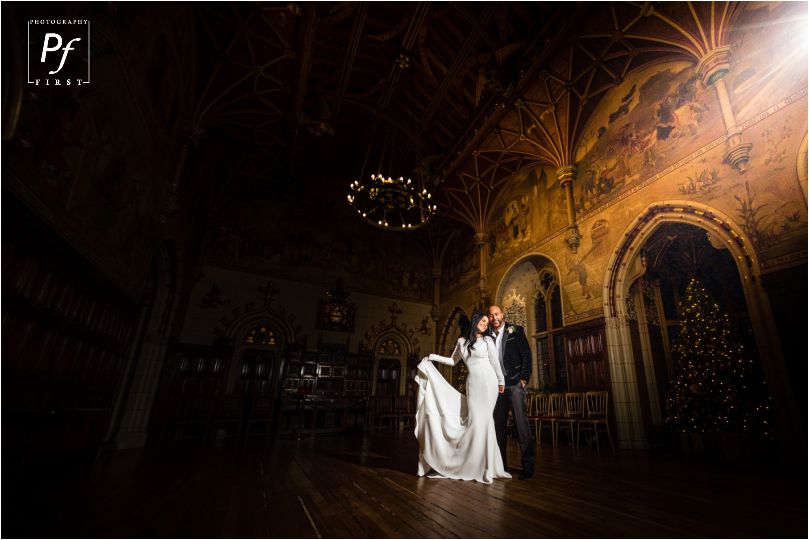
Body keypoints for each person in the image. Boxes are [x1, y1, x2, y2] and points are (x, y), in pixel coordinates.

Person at [413, 312, 511, 484]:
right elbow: (453, 361)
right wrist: (433, 357)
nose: (485, 324)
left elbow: (495, 363)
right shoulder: (461, 342)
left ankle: (489, 467)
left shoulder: (487, 341)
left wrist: (501, 381)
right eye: (482, 321)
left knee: (486, 421)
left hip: (489, 383)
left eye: (487, 322)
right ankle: (470, 463)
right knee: (475, 421)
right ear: (475, 322)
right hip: (473, 384)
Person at [488, 305, 536, 480]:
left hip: (515, 384)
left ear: (502, 315)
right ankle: (501, 466)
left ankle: (528, 465)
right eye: (491, 315)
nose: (494, 318)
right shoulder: (486, 336)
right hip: (496, 388)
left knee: (521, 426)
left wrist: (524, 378)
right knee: (498, 427)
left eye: (497, 314)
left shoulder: (516, 331)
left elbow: (526, 355)